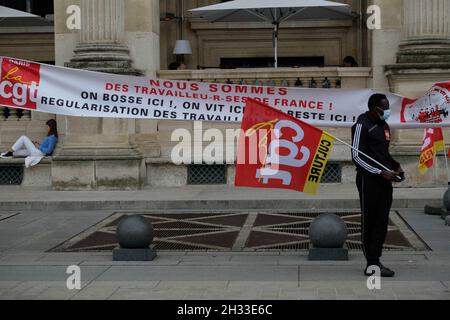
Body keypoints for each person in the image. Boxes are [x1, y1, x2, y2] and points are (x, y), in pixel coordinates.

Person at [351, 94, 405, 278]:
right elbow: (357, 157)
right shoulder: (361, 125)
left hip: (385, 181)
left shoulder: (385, 126)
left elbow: (384, 154)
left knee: (382, 221)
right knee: (370, 220)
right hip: (368, 180)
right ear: (375, 108)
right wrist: (379, 172)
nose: (387, 111)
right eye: (385, 108)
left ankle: (377, 258)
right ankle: (371, 263)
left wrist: (396, 166)